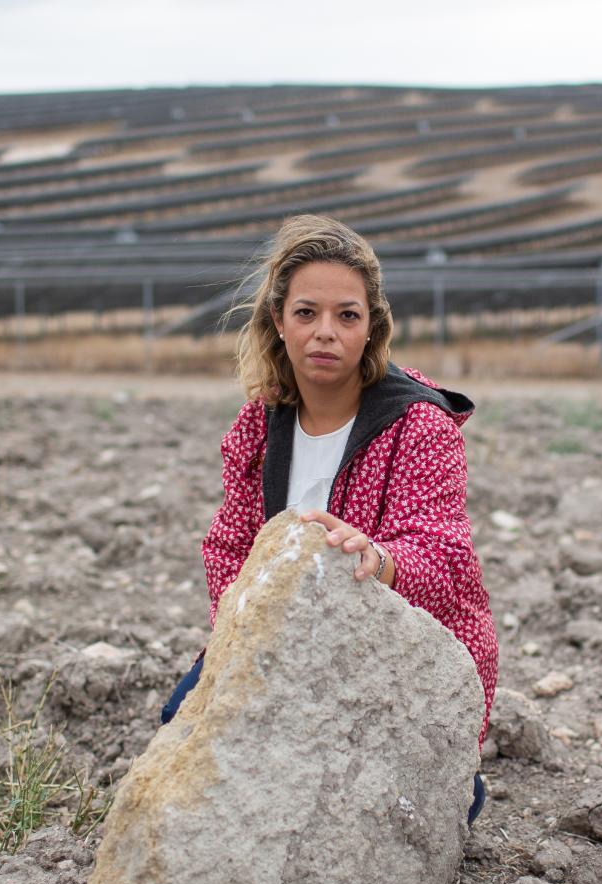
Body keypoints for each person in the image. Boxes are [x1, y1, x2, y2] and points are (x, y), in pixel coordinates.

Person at [159, 214, 498, 825]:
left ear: (372, 329)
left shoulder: (419, 425)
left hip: (397, 657)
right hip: (285, 645)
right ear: (277, 323)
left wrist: (382, 557)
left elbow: (445, 556)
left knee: (414, 805)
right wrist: (243, 638)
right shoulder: (259, 425)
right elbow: (230, 547)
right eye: (306, 313)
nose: (326, 333)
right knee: (181, 728)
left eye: (348, 315)